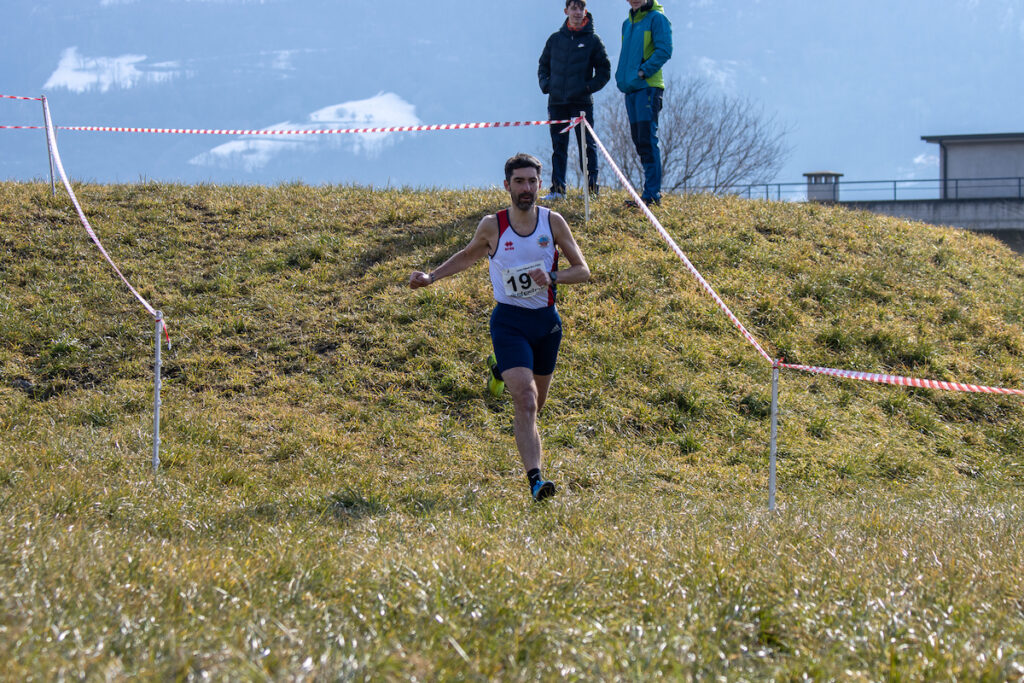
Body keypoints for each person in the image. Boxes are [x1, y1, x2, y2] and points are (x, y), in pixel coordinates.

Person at [409, 154, 591, 502]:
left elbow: (582, 270)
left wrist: (553, 276)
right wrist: (431, 277)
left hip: (547, 325)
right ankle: (536, 481)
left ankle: (499, 370)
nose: (526, 188)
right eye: (519, 182)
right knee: (525, 399)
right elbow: (467, 255)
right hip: (508, 321)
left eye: (532, 182)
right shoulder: (494, 225)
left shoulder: (554, 223)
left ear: (540, 184)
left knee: (538, 406)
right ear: (507, 185)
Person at [537, 0, 611, 200]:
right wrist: (546, 85)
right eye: (574, 8)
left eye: (581, 8)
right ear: (566, 11)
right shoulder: (555, 39)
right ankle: (558, 191)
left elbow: (604, 72)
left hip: (582, 103)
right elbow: (543, 65)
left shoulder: (593, 41)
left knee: (587, 146)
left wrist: (587, 88)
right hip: (557, 102)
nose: (577, 12)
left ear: (585, 11)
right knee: (558, 147)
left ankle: (591, 192)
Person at [615, 0, 673, 207]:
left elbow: (664, 50)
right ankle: (648, 192)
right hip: (631, 89)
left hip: (648, 86)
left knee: (647, 139)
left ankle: (652, 195)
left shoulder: (657, 18)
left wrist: (643, 71)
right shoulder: (627, 23)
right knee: (639, 140)